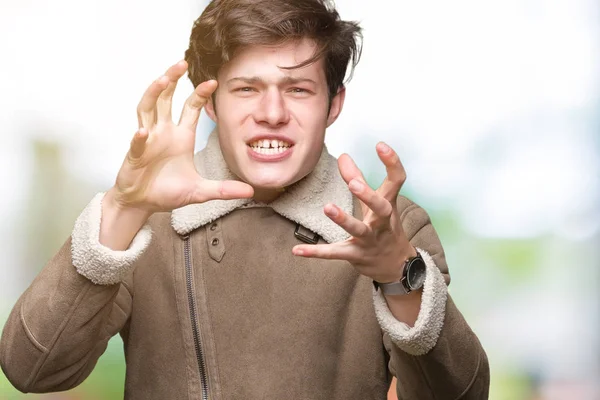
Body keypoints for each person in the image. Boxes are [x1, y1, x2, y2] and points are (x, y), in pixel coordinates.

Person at [0, 0, 490, 398]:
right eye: (246, 88)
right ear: (210, 101)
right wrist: (123, 210)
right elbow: (31, 370)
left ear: (333, 104)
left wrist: (398, 274)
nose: (271, 113)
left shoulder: (390, 227)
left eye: (298, 89)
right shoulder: (149, 218)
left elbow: (461, 395)